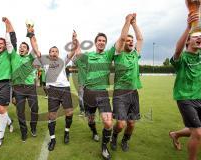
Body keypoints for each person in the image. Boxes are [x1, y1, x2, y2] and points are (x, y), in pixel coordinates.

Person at [74, 30, 124, 159]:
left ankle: (104, 147)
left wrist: (128, 21)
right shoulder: (89, 55)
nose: (101, 42)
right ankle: (94, 132)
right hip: (88, 93)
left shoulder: (108, 55)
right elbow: (78, 54)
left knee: (108, 123)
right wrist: (76, 41)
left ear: (105, 44)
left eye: (104, 41)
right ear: (95, 43)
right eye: (99, 40)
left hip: (102, 93)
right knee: (90, 118)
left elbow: (121, 40)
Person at [32, 30, 78, 151]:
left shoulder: (63, 60)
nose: (54, 53)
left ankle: (66, 132)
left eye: (56, 51)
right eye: (52, 51)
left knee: (69, 113)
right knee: (52, 116)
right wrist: (31, 35)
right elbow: (36, 49)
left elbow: (73, 51)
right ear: (49, 53)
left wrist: (74, 39)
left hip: (65, 89)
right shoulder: (45, 62)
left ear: (58, 53)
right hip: (52, 90)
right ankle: (52, 139)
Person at [110, 13, 143, 152]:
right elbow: (122, 38)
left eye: (132, 40)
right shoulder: (118, 54)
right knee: (121, 123)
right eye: (128, 40)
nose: (130, 41)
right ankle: (114, 136)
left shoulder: (135, 54)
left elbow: (140, 38)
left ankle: (125, 141)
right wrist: (128, 21)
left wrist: (135, 23)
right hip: (120, 93)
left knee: (131, 123)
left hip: (133, 92)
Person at [170, 12, 201, 160]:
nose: (199, 38)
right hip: (185, 98)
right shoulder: (181, 59)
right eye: (195, 37)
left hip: (199, 97)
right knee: (198, 133)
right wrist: (189, 26)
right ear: (188, 42)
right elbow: (177, 51)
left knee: (195, 129)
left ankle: (175, 134)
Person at [10, 19, 41, 142]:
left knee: (35, 109)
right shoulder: (14, 57)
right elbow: (10, 44)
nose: (22, 48)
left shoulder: (30, 57)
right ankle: (24, 132)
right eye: (21, 47)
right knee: (20, 112)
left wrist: (31, 33)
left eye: (24, 47)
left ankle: (33, 127)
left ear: (27, 50)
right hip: (17, 88)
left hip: (30, 88)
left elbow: (35, 46)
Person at [0, 17, 15, 149]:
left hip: (5, 84)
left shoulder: (8, 54)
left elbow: (9, 38)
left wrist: (7, 24)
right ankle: (10, 122)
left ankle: (0, 137)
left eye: (1, 43)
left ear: (5, 45)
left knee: (1, 109)